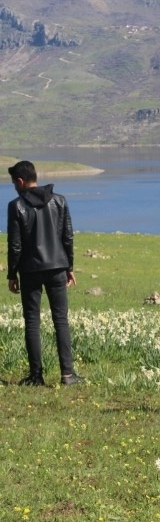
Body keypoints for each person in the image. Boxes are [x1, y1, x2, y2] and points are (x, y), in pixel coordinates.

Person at [6, 160, 84, 386]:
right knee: (61, 320)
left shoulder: (16, 206)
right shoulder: (59, 201)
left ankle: (36, 376)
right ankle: (67, 375)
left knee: (32, 322)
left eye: (14, 183)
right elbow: (67, 237)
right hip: (58, 267)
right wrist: (69, 267)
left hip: (30, 271)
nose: (14, 187)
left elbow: (15, 245)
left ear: (20, 182)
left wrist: (12, 274)